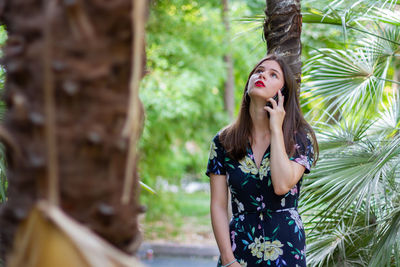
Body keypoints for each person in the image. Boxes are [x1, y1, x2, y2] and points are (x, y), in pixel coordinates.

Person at [206, 54, 319, 267]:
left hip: (286, 249)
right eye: (258, 71)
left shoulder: (299, 139)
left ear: (282, 93)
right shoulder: (223, 141)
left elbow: (281, 185)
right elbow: (218, 206)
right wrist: (229, 260)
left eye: (273, 74)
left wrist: (277, 128)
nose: (262, 75)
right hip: (238, 249)